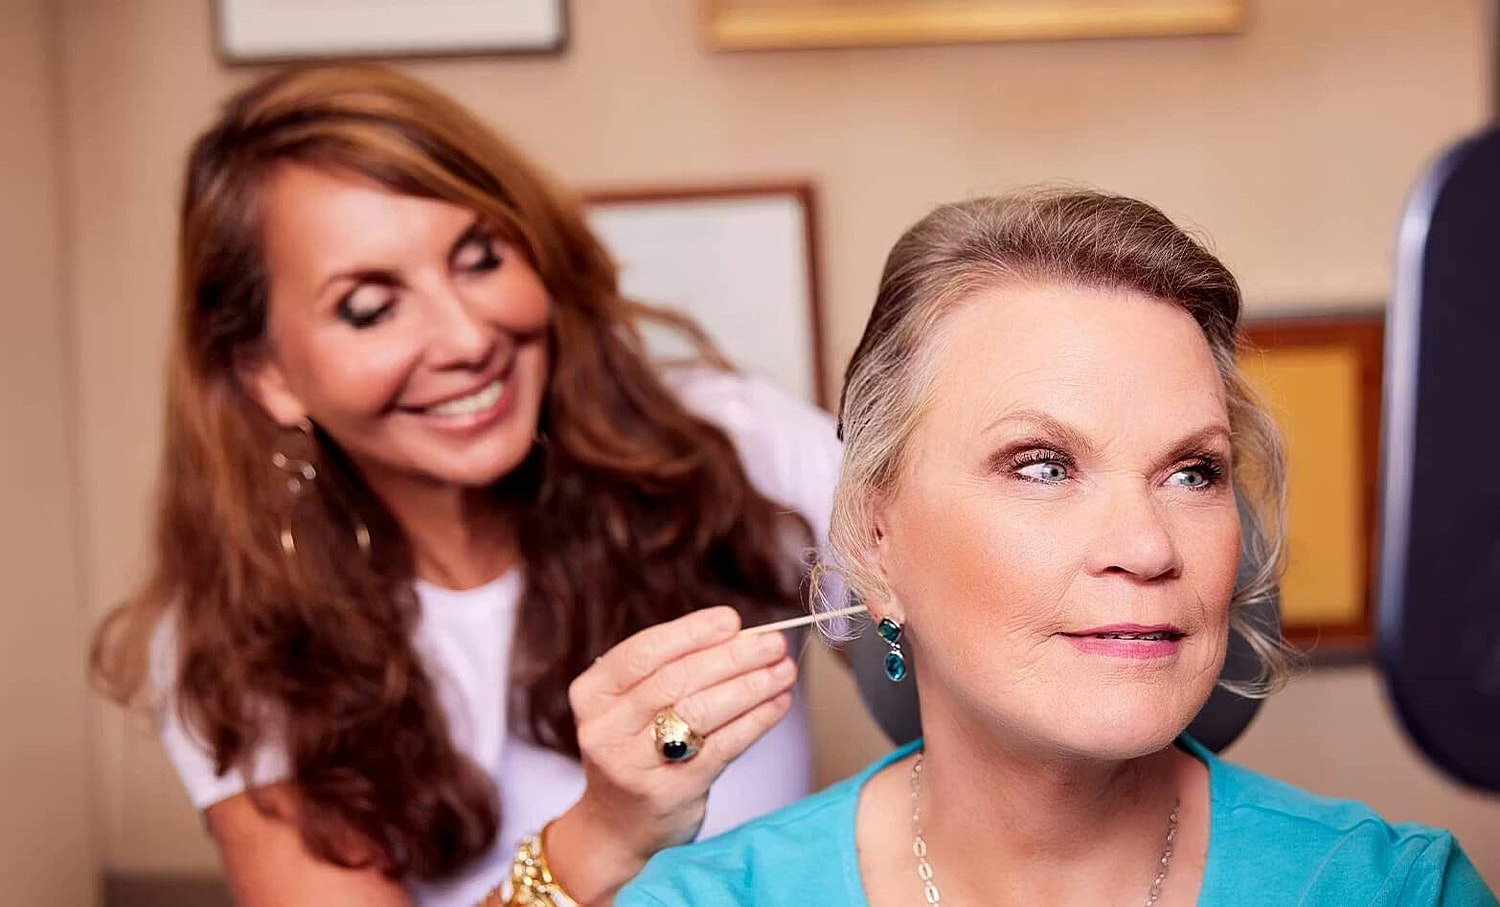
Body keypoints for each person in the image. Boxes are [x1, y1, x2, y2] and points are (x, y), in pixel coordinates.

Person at [90, 63, 850, 907]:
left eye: (481, 257)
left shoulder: (737, 446)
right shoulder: (228, 641)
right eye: (371, 308)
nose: (465, 337)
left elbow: (948, 681)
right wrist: (602, 835)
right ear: (267, 372)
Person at [617, 190, 1499, 906]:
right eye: (1042, 465)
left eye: (1192, 471)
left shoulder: (1394, 890)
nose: (1147, 546)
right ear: (876, 542)